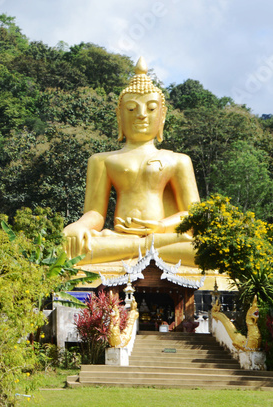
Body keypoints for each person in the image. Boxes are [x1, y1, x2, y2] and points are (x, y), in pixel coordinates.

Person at [62, 57, 199, 265]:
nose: (141, 115)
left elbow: (193, 215)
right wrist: (79, 226)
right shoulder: (103, 161)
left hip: (163, 236)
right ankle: (146, 247)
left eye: (151, 109)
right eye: (132, 109)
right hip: (124, 238)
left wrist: (161, 227)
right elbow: (95, 213)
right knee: (69, 249)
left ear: (162, 116)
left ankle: (146, 246)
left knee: (208, 250)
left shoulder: (178, 161)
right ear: (119, 116)